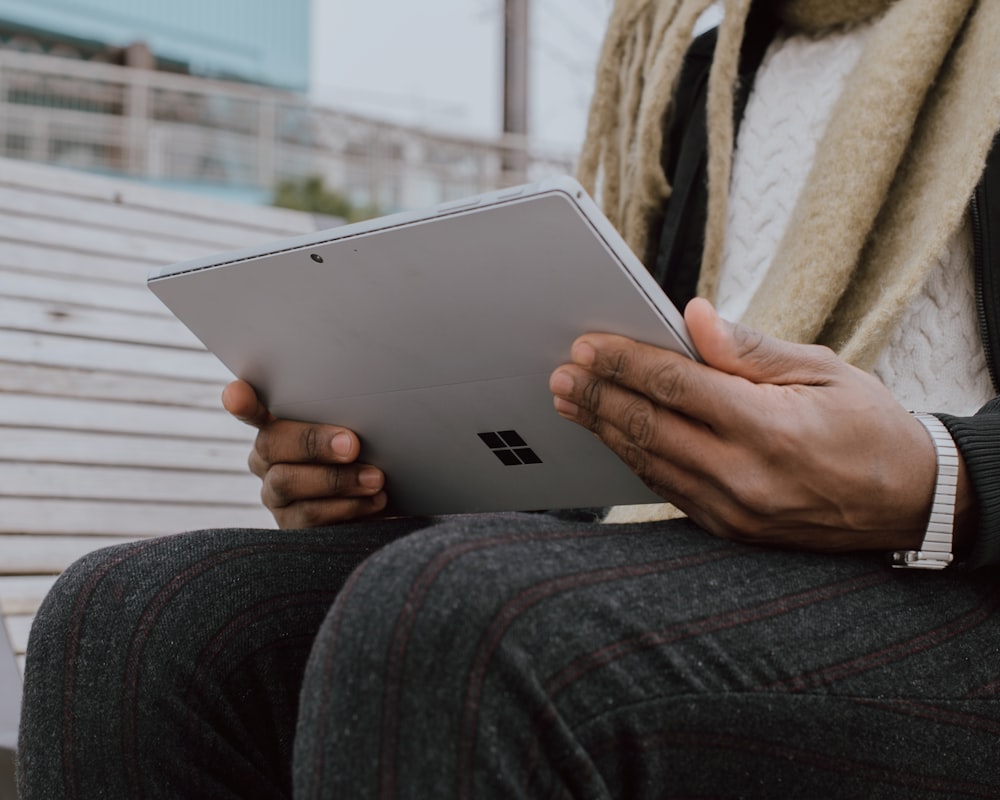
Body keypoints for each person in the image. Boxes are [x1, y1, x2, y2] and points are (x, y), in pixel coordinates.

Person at [17, 0, 1000, 797]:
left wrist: (936, 475)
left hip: (961, 584)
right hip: (695, 542)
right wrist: (408, 470)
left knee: (464, 621)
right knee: (128, 616)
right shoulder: (694, 69)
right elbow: (643, 411)